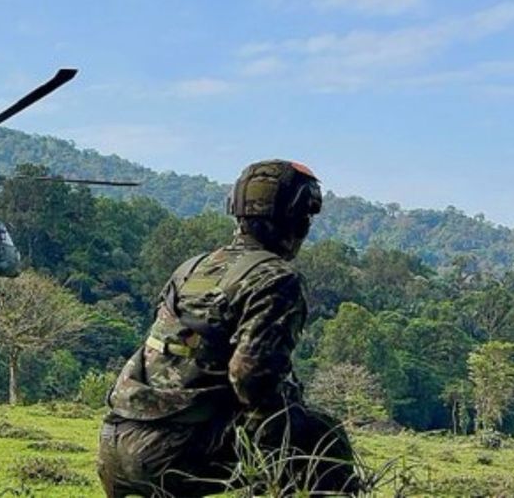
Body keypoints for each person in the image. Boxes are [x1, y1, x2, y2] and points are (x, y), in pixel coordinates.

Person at [97, 159, 360, 497]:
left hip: (115, 447)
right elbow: (253, 380)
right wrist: (270, 465)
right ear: (296, 219)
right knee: (321, 436)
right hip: (171, 456)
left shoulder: (192, 269)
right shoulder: (276, 278)